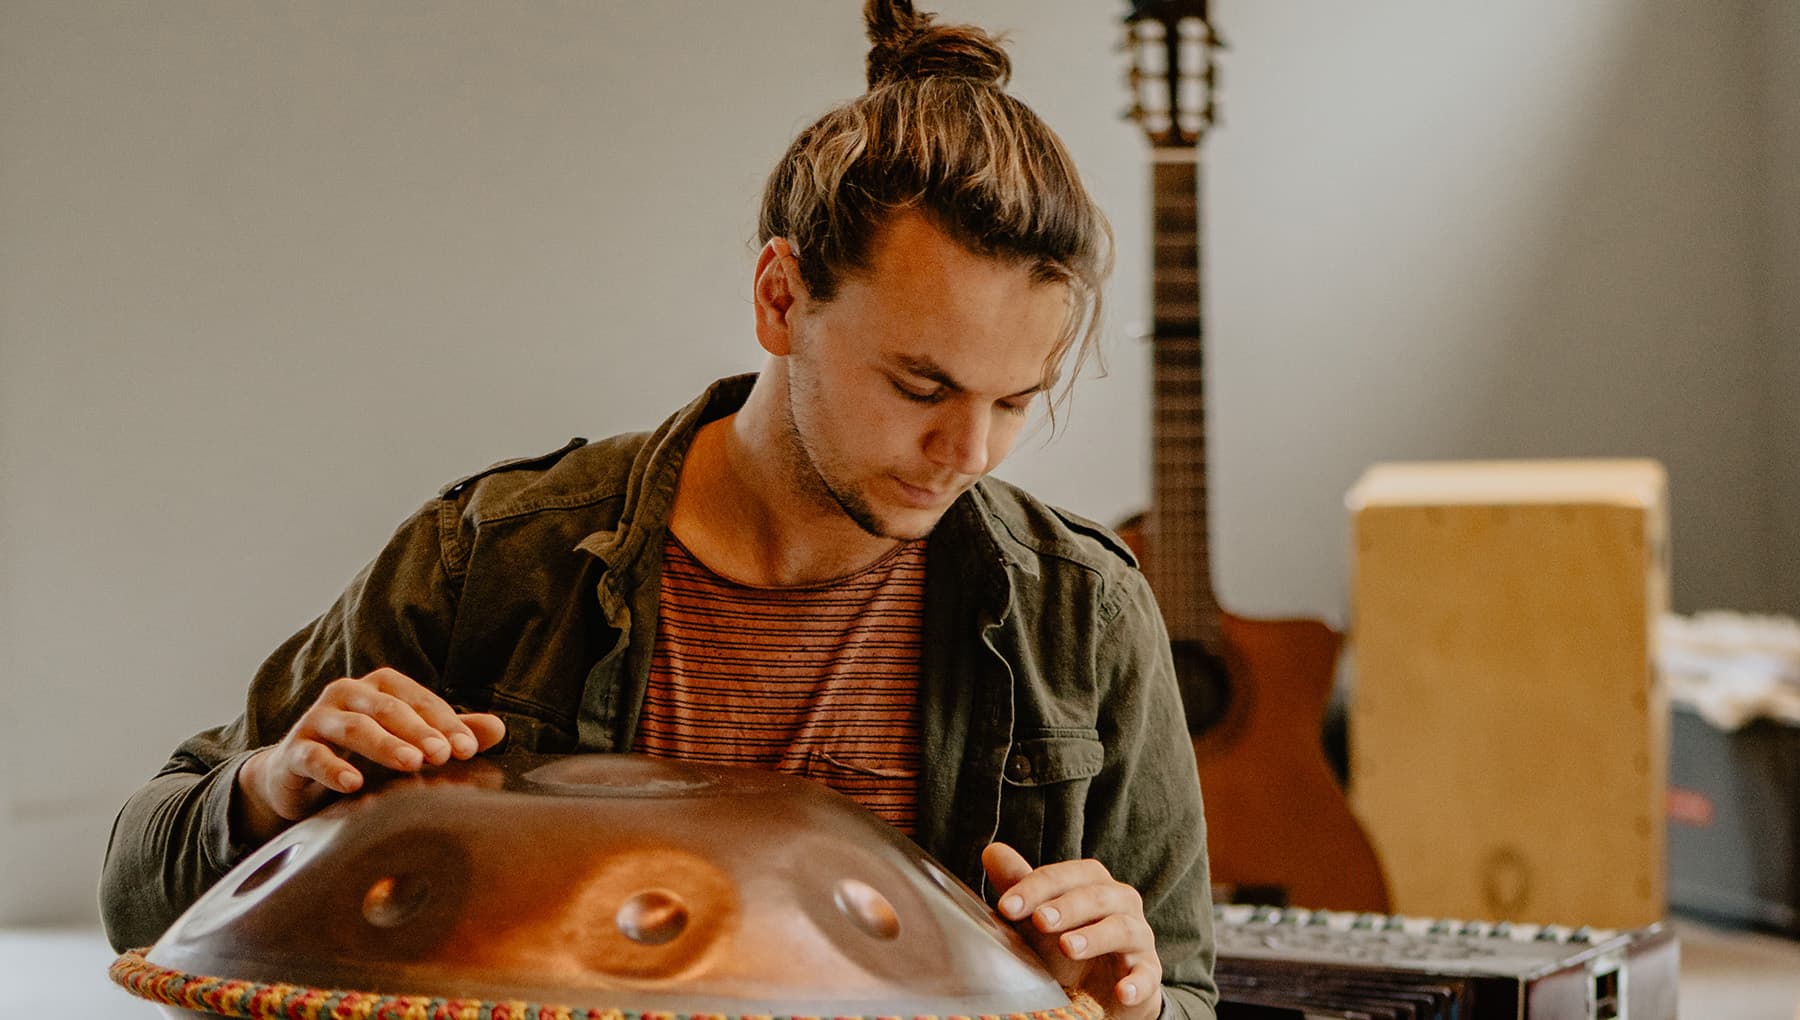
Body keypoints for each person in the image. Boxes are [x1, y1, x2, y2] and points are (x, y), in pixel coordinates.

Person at [99, 3, 1218, 1017]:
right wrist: (266, 796)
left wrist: (1136, 1002)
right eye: (919, 388)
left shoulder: (1084, 614)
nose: (966, 453)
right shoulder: (492, 558)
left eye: (1014, 401)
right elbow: (136, 891)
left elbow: (1188, 991)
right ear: (781, 299)